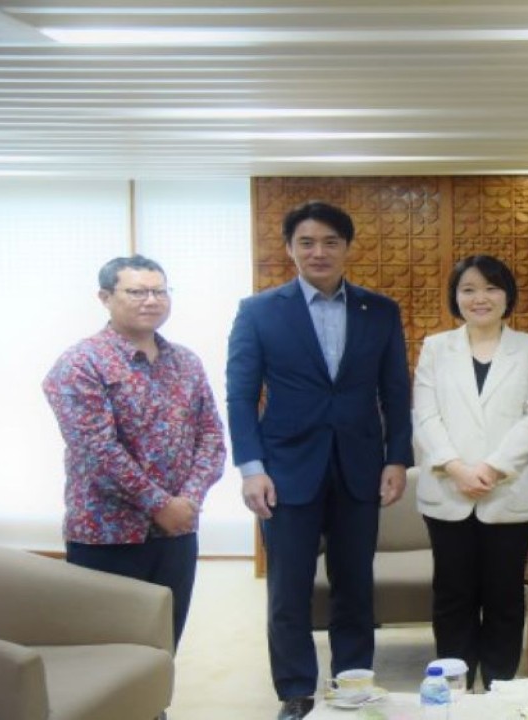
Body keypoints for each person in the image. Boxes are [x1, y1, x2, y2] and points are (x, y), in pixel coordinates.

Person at [226, 201, 414, 720]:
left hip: (360, 467)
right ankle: (295, 691)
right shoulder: (259, 311)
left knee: (355, 585)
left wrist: (397, 458)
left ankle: (352, 684)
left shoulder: (380, 310)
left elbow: (396, 392)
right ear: (289, 248)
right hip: (284, 471)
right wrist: (251, 468)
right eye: (306, 242)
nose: (319, 252)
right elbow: (241, 397)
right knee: (289, 590)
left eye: (331, 242)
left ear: (348, 248)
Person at [42, 255, 226, 649]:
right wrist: (159, 504)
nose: (151, 300)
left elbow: (211, 438)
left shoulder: (186, 362)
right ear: (105, 297)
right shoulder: (80, 363)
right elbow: (97, 450)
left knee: (163, 644)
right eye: (137, 291)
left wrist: (188, 500)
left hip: (177, 531)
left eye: (159, 291)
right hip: (107, 534)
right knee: (107, 650)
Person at [413, 255, 528, 691]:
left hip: (510, 492)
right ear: (455, 297)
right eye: (469, 289)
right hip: (447, 490)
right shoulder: (436, 347)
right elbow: (424, 414)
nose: (480, 298)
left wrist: (491, 468)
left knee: (505, 597)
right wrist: (456, 467)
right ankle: (454, 688)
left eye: (491, 288)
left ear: (507, 295)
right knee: (452, 596)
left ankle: (499, 688)